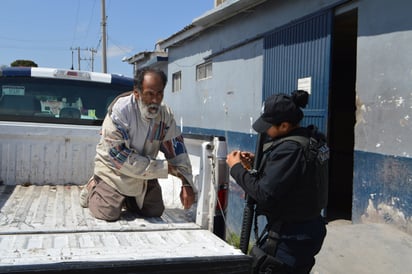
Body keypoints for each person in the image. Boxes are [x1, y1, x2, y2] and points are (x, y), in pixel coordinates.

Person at [226, 90, 327, 273]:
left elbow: (265, 194)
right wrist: (261, 162)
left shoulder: (290, 149)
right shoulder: (311, 139)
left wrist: (236, 168)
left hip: (291, 236)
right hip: (309, 228)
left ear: (284, 126)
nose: (265, 130)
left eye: (269, 125)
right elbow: (298, 174)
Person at [80, 67, 195, 221]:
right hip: (114, 171)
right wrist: (164, 168)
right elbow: (119, 157)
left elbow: (177, 150)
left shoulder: (165, 115)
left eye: (159, 93)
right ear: (137, 93)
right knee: (108, 212)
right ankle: (94, 186)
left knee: (154, 210)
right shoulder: (120, 112)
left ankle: (127, 199)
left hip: (144, 174)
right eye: (149, 94)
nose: (155, 100)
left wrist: (186, 183)